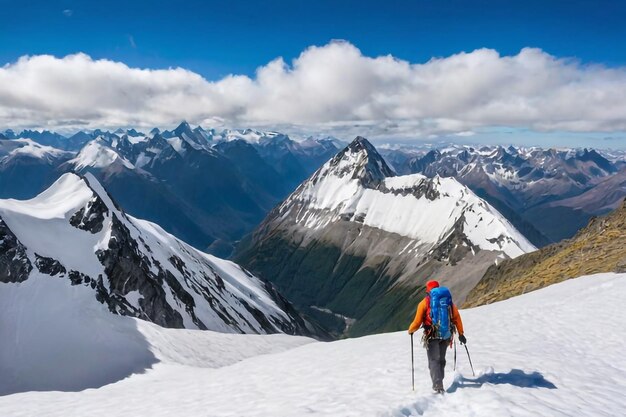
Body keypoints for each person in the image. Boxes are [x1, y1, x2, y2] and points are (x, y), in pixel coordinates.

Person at [408, 280, 466, 394]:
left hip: (432, 334)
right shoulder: (448, 302)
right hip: (446, 335)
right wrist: (461, 333)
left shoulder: (424, 303)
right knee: (441, 360)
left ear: (427, 290)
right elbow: (456, 317)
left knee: (433, 360)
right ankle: (439, 381)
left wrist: (411, 330)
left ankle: (437, 386)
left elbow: (417, 321)